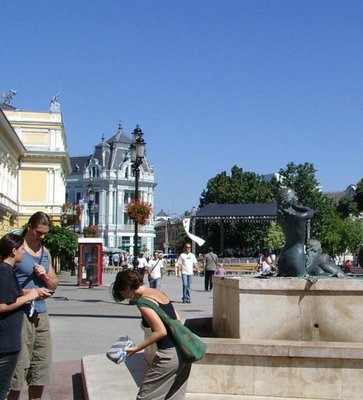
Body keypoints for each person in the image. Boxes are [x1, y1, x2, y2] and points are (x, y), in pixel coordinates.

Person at [111, 270, 191, 400]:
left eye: (122, 293)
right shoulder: (159, 293)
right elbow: (177, 318)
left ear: (126, 287)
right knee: (174, 396)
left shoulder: (143, 302)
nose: (125, 297)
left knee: (145, 397)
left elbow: (160, 331)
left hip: (168, 355)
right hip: (183, 352)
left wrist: (137, 348)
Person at [8, 211, 58, 400]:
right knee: (18, 369)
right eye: (38, 232)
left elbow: (53, 285)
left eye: (45, 233)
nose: (42, 237)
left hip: (41, 314)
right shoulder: (15, 248)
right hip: (19, 314)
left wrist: (44, 277)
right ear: (29, 227)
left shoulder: (45, 252)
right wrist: (29, 293)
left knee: (41, 367)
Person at [0, 234, 44, 400]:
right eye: (21, 249)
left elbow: (10, 294)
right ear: (13, 251)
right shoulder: (5, 271)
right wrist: (29, 297)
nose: (24, 253)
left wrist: (34, 292)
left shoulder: (5, 270)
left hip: (7, 341)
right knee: (2, 389)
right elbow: (2, 305)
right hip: (5, 343)